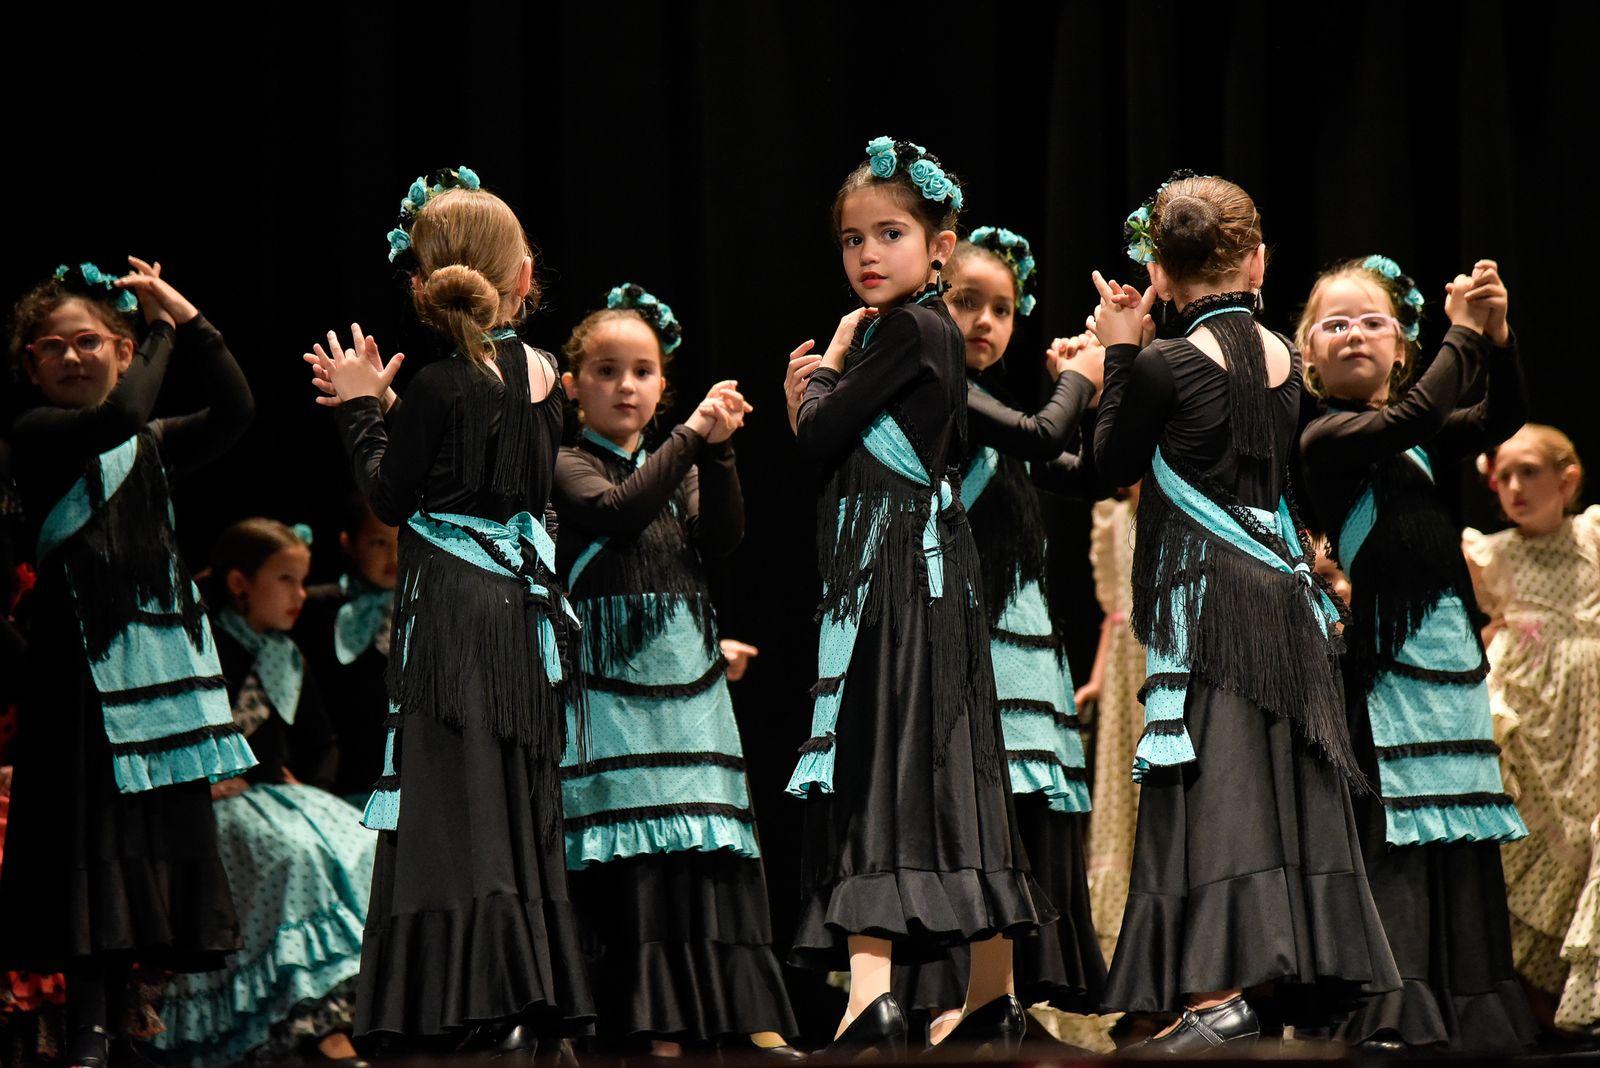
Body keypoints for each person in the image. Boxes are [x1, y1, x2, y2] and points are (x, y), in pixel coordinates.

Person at [1090, 173, 1400, 1052]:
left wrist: (1117, 350)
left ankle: (1218, 990)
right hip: (1281, 597)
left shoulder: (1163, 361)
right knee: (1273, 783)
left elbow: (1113, 459)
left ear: (1158, 271)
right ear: (1257, 261)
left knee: (1219, 787)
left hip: (1209, 603)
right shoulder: (1283, 358)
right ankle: (1278, 979)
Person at [310, 167, 592, 1055]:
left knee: (455, 797)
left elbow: (394, 502)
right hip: (521, 607)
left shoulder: (436, 383)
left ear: (424, 285)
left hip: (453, 614)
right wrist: (395, 408)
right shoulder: (548, 372)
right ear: (520, 280)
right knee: (512, 794)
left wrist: (362, 410)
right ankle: (531, 995)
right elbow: (494, 461)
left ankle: (479, 1002)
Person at [781, 137, 1050, 1056]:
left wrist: (815, 379)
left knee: (879, 761)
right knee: (946, 766)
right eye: (852, 239)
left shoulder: (902, 331)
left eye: (889, 233)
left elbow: (817, 439)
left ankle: (870, 999)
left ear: (939, 246)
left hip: (898, 579)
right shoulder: (924, 333)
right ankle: (988, 996)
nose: (867, 254)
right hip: (922, 577)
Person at [0, 259, 256, 1068]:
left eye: (91, 342)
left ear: (117, 347)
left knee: (139, 850)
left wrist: (189, 316)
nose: (74, 358)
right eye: (55, 346)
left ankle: (125, 1023)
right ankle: (85, 1026)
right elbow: (115, 421)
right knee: (81, 849)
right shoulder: (39, 436)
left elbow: (238, 409)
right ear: (32, 363)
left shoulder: (151, 444)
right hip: (72, 679)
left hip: (152, 683)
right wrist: (162, 333)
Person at [552, 284, 798, 1057]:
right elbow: (621, 509)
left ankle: (741, 1012)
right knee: (634, 855)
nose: (626, 386)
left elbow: (720, 537)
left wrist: (720, 450)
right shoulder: (562, 462)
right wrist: (693, 438)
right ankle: (649, 1019)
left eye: (643, 372)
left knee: (709, 846)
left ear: (663, 385)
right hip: (608, 684)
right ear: (572, 386)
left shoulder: (677, 459)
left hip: (685, 682)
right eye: (606, 371)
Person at [1298, 253, 1533, 1052]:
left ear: (1400, 349)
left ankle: (1472, 1004)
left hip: (1450, 662)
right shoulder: (1324, 433)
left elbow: (1499, 423)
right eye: (1337, 323)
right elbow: (1410, 417)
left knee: (1457, 830)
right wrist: (1461, 336)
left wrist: (1495, 342)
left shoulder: (1423, 443)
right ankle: (1399, 1003)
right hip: (1382, 667)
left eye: (1373, 321)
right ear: (1308, 352)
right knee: (1396, 831)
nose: (1355, 333)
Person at [892, 226, 1107, 1042]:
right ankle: (948, 995)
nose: (984, 322)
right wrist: (1079, 385)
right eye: (965, 302)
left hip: (1019, 652)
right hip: (956, 645)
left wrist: (1082, 384)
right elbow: (1044, 434)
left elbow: (1085, 470)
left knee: (1013, 820)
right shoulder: (934, 392)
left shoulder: (1006, 410)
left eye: (1002, 309)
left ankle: (1000, 997)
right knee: (960, 818)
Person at [156, 519, 376, 1066]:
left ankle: (354, 1011)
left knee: (365, 842)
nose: (299, 595)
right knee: (292, 856)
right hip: (219, 803)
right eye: (286, 580)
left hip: (277, 795)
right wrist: (200, 781)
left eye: (303, 583)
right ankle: (308, 1024)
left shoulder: (286, 654)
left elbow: (319, 740)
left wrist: (311, 788)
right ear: (240, 584)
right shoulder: (200, 649)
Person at [1465, 425, 1600, 1033]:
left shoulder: (1594, 537)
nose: (1514, 488)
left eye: (1529, 472)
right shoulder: (1491, 553)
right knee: (1525, 851)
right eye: (1503, 476)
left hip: (1590, 722)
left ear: (1567, 479)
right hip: (1530, 721)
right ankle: (1538, 1007)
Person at [295, 495, 399, 807]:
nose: (393, 555)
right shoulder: (312, 608)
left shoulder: (427, 608)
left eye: (400, 541)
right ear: (348, 543)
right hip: (337, 783)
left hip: (407, 782)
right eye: (378, 543)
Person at [1079, 485, 1145, 964]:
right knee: (1121, 787)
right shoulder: (1114, 518)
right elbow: (1113, 614)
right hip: (1126, 670)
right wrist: (1098, 679)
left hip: (1160, 654)